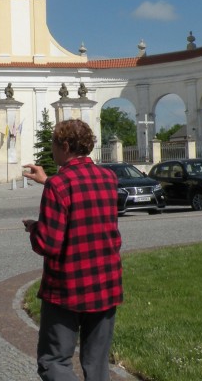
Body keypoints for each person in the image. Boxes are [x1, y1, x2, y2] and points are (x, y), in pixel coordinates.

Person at [22, 119, 122, 381]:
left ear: (65, 146)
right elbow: (85, 201)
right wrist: (48, 181)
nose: (52, 149)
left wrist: (34, 229)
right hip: (105, 281)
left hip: (68, 287)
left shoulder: (59, 185)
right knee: (97, 363)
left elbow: (48, 244)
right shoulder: (108, 178)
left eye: (54, 144)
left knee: (54, 361)